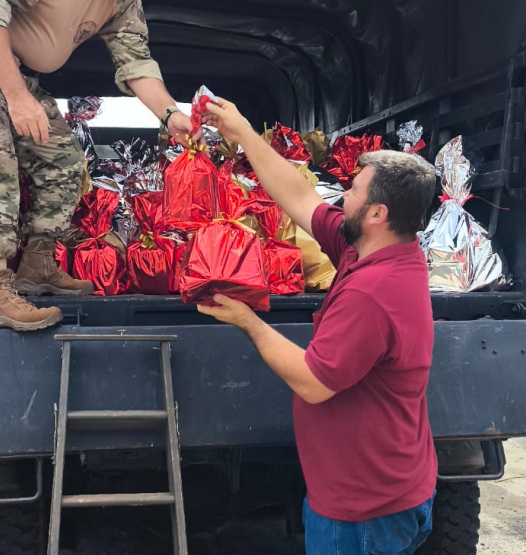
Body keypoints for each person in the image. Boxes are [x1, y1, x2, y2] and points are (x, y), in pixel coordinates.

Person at [199, 99, 439, 554]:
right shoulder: (372, 249)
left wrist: (248, 322)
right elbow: (300, 197)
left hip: (364, 511)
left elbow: (312, 383)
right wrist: (245, 133)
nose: (340, 195)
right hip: (391, 491)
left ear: (377, 214)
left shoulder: (373, 291)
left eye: (352, 190)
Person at [0, 0, 196, 331]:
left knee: (64, 162)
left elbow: (136, 62)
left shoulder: (122, 4)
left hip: (19, 73)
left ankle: (37, 265)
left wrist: (169, 114)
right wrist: (18, 98)